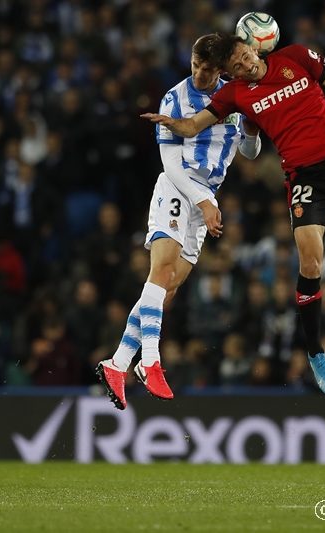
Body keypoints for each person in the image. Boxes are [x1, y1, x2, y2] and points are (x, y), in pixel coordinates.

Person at [142, 34, 325, 397]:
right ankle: (315, 352)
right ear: (230, 74)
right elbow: (195, 125)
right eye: (236, 67)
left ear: (254, 48)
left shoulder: (295, 57)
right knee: (311, 264)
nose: (245, 65)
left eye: (245, 56)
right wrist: (168, 122)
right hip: (304, 177)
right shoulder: (235, 96)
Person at [96, 34, 261, 410]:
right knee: (161, 272)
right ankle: (151, 361)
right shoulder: (174, 99)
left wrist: (252, 125)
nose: (199, 74)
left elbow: (250, 153)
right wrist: (203, 202)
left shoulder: (235, 98)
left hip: (206, 198)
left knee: (169, 289)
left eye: (207, 69)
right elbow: (170, 163)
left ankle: (118, 363)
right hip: (178, 186)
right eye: (195, 66)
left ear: (220, 69)